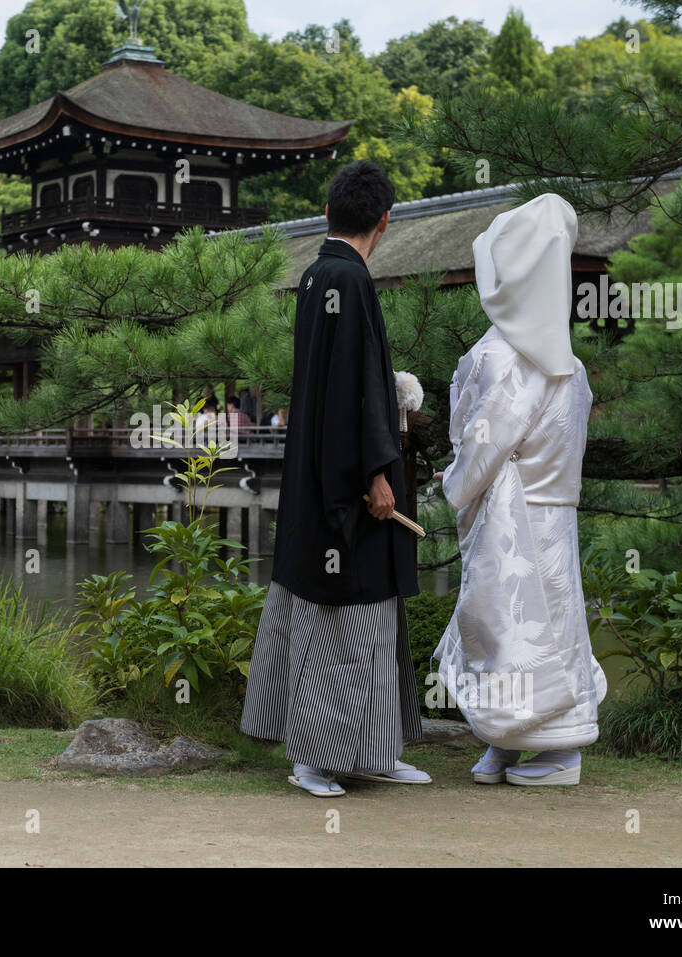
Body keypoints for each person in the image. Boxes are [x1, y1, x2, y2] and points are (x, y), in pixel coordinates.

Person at [241, 160, 429, 796]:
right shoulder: (347, 280)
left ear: (327, 214)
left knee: (369, 614)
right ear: (384, 221)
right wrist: (377, 474)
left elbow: (347, 389)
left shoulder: (321, 274)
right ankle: (313, 759)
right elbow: (350, 392)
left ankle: (377, 751)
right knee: (338, 617)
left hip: (324, 474)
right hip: (346, 485)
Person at [435, 193, 607, 787]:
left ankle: (552, 750)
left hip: (515, 516)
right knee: (543, 628)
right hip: (552, 514)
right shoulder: (568, 362)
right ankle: (511, 742)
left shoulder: (502, 356)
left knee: (506, 628)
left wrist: (454, 485)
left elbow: (483, 445)